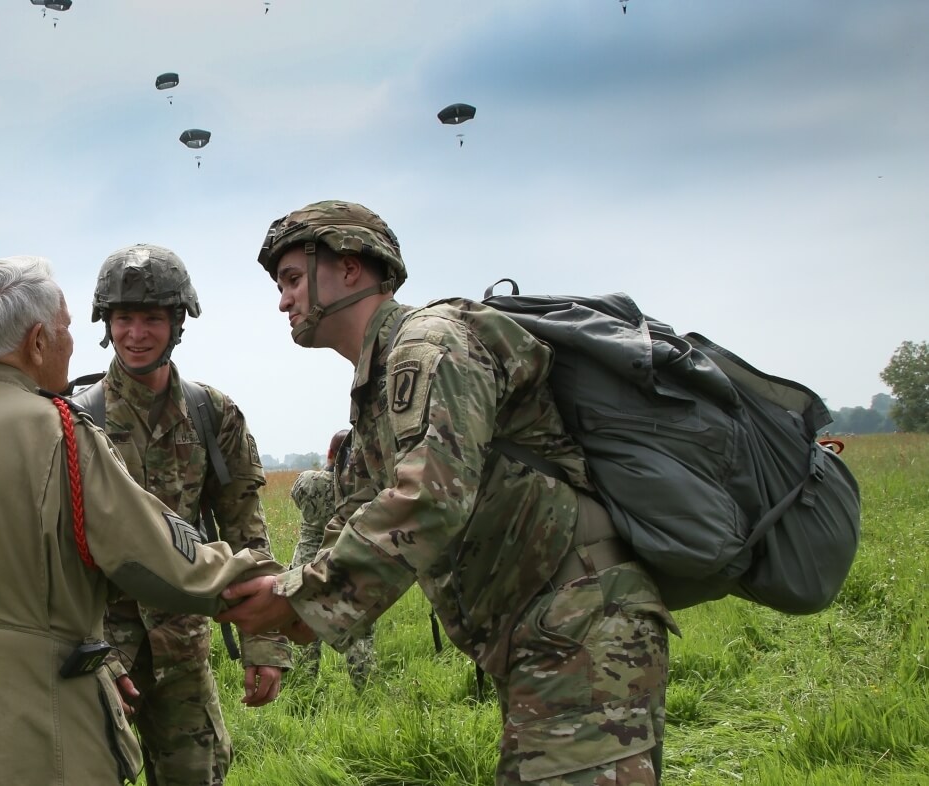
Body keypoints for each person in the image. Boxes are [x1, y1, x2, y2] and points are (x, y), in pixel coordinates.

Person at [219, 201, 675, 785]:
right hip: (543, 629)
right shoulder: (377, 382)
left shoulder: (426, 345)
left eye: (290, 279)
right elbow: (354, 513)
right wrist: (290, 605)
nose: (283, 300)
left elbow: (431, 496)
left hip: (581, 621)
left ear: (351, 267)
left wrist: (299, 598)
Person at [0, 255, 283, 786]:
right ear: (38, 341)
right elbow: (162, 560)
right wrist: (287, 594)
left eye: (152, 318)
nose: (74, 343)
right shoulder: (65, 431)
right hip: (42, 707)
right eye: (66, 330)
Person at [84, 243, 291, 786]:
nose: (136, 333)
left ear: (177, 323)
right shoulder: (74, 421)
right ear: (106, 324)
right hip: (101, 650)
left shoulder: (213, 414)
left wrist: (264, 644)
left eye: (151, 318)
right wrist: (84, 650)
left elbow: (248, 533)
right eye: (123, 318)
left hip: (183, 645)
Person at [287, 428, 374, 688]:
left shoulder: (308, 480)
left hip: (306, 559)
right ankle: (363, 685)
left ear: (329, 452)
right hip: (344, 556)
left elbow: (296, 499)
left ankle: (304, 685)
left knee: (303, 623)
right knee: (359, 627)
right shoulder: (356, 487)